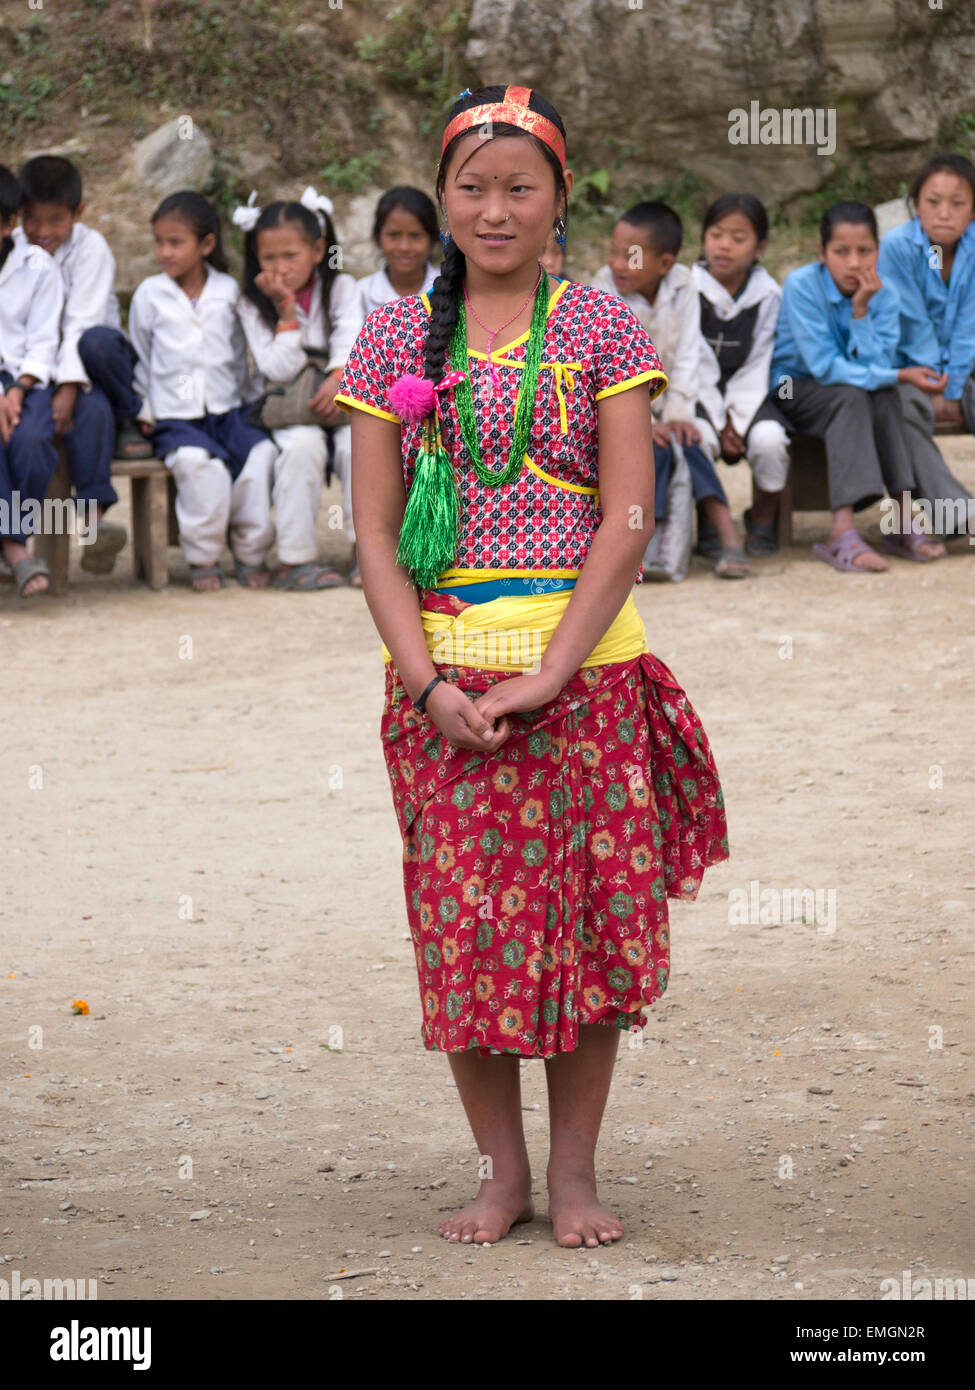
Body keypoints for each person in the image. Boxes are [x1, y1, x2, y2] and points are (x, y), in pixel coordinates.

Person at [335, 85, 729, 1250]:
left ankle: (574, 1172)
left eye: (520, 187)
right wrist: (427, 683)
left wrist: (553, 671)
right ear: (440, 197)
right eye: (473, 186)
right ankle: (500, 1173)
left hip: (586, 682)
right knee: (465, 933)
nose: (494, 208)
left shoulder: (604, 329)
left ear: (562, 197)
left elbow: (626, 516)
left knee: (594, 936)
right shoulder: (396, 336)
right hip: (447, 687)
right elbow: (372, 532)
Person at [767, 201, 947, 571]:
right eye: (841, 252)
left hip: (849, 391)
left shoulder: (885, 294)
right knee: (857, 393)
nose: (854, 263)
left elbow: (876, 367)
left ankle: (901, 519)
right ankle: (841, 531)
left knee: (882, 392)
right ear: (822, 253)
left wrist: (861, 311)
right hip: (794, 386)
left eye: (864, 251)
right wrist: (898, 374)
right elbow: (824, 367)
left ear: (877, 251)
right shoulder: (802, 285)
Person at [592, 202, 750, 577]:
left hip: (675, 400)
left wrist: (677, 414)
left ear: (664, 264)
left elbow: (688, 355)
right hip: (617, 406)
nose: (617, 263)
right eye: (613, 252)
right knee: (654, 446)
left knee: (687, 438)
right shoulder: (602, 290)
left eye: (629, 256)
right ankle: (659, 543)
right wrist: (645, 420)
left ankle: (724, 532)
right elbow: (606, 370)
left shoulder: (684, 285)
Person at [128, 191, 277, 592]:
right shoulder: (150, 295)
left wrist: (253, 400)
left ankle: (251, 553)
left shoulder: (229, 291)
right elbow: (140, 357)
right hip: (176, 417)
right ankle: (203, 556)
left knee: (259, 456)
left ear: (206, 245)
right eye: (159, 242)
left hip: (230, 409)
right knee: (198, 465)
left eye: (175, 242)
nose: (165, 251)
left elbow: (250, 350)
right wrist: (145, 410)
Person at [15, 154, 149, 579]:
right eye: (32, 220)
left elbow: (81, 324)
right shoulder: (16, 249)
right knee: (92, 416)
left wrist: (69, 387)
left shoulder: (91, 249)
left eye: (56, 220)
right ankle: (93, 526)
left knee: (97, 347)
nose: (42, 231)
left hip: (95, 366)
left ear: (78, 212)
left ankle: (130, 414)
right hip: (38, 371)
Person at [235, 189, 363, 589]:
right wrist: (286, 310)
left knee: (355, 446)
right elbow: (276, 367)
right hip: (289, 407)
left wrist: (340, 374)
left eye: (290, 256)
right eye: (269, 258)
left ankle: (368, 552)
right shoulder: (251, 301)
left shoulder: (342, 289)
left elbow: (352, 338)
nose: (281, 267)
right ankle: (296, 559)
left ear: (317, 249)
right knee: (301, 446)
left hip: (340, 399)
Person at [877, 152, 975, 539]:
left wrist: (953, 388)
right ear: (916, 205)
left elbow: (970, 324)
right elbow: (913, 325)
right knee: (900, 409)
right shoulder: (898, 247)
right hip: (910, 367)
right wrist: (938, 386)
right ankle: (957, 514)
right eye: (933, 202)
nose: (944, 214)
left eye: (958, 204)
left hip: (965, 363)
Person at [691, 193, 790, 556]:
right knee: (697, 438)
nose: (725, 246)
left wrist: (736, 417)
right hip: (699, 394)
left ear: (759, 247)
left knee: (770, 440)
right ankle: (709, 522)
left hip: (752, 394)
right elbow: (692, 359)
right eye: (716, 234)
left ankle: (763, 518)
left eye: (738, 237)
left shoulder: (768, 297)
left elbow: (759, 360)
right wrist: (718, 421)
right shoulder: (688, 290)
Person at [0, 164, 62, 598]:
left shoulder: (39, 267)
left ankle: (9, 541)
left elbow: (44, 339)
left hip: (28, 380)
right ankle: (14, 548)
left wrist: (16, 390)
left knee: (33, 440)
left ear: (8, 223)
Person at [357, 186, 440, 318]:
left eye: (415, 236)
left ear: (433, 239)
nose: (404, 247)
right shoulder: (360, 294)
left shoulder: (450, 290)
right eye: (393, 235)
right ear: (378, 237)